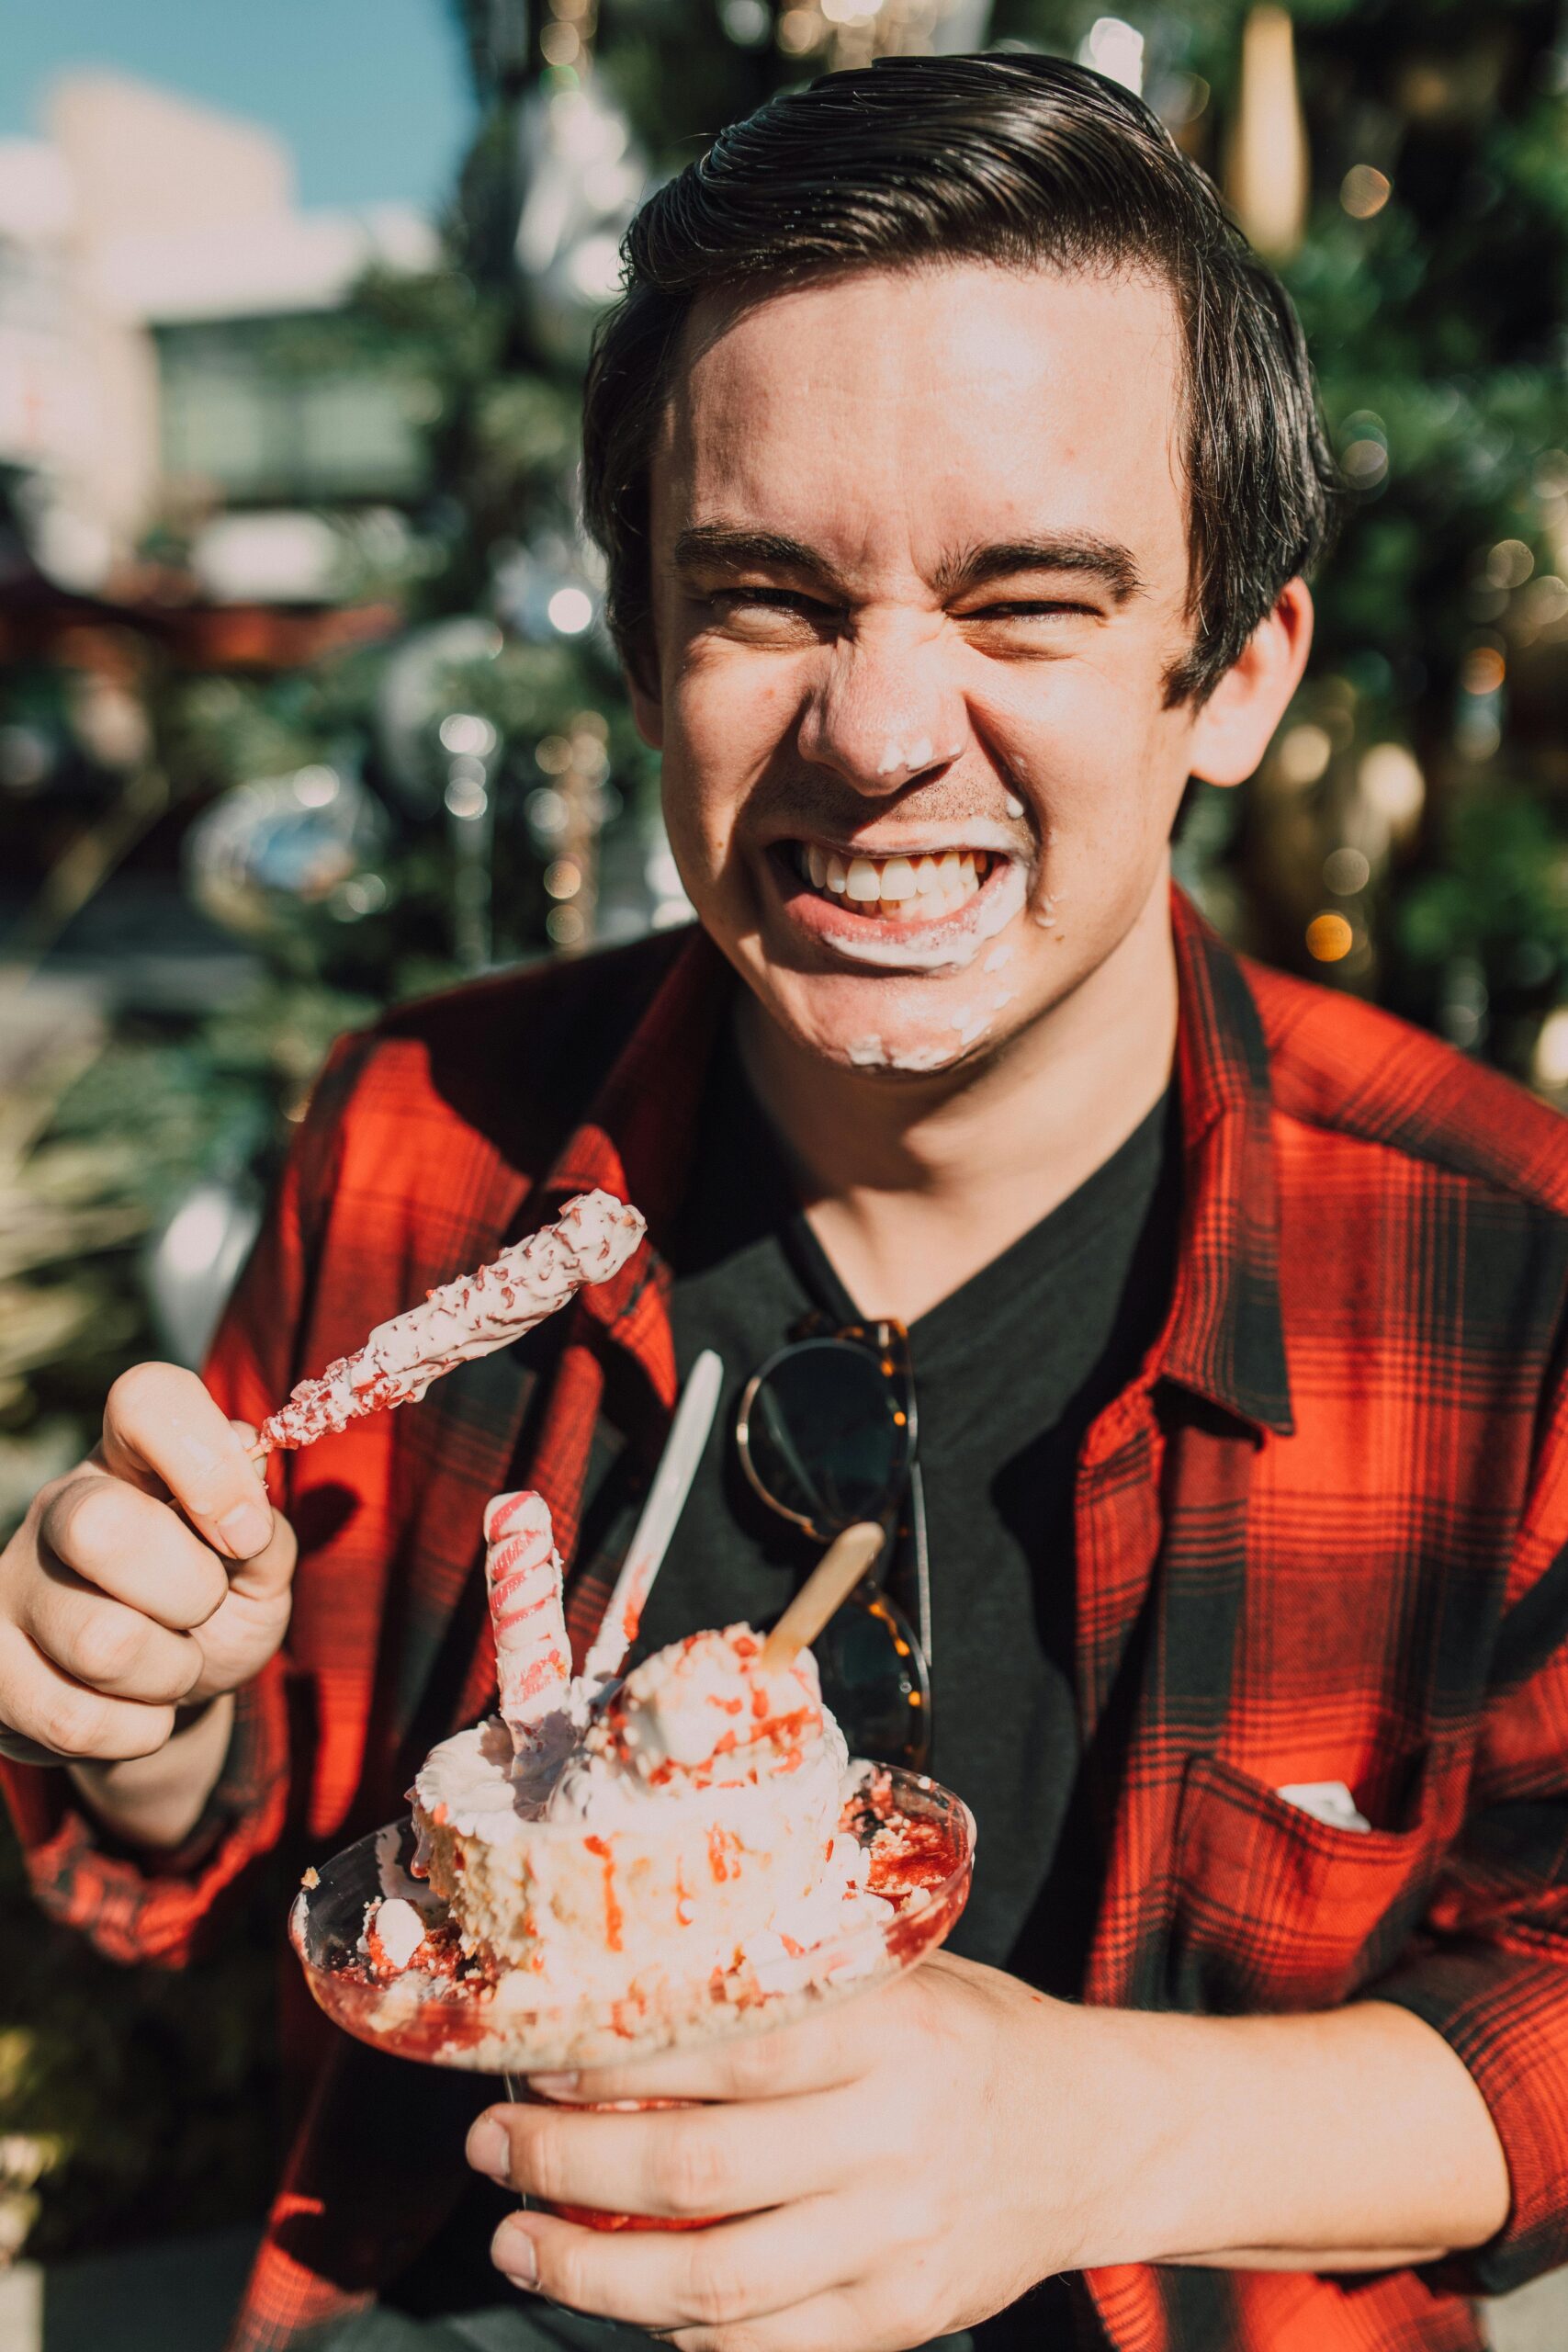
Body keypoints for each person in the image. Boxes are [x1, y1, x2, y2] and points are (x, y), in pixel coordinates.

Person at [4, 51, 1568, 2352]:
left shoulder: (1494, 1254)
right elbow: (272, 1859)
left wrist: (1077, 2131)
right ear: (645, 654)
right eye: (765, 596)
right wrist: (142, 1728)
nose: (877, 730)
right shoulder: (428, 1142)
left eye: (1022, 598)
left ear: (1228, 672)